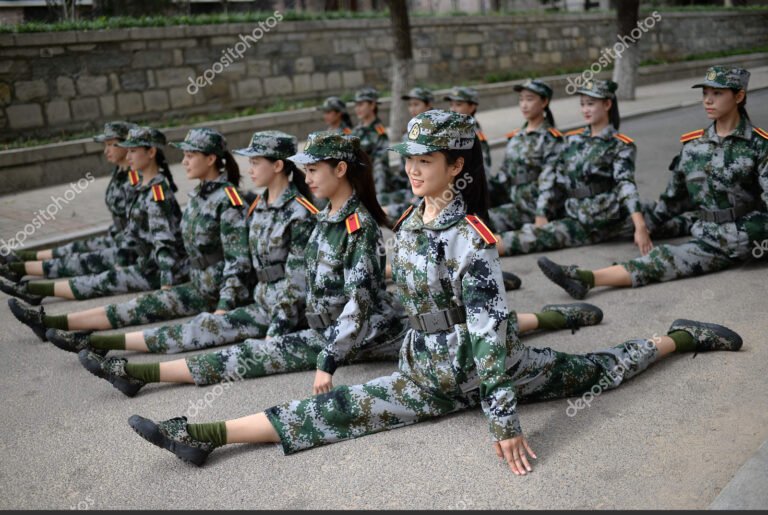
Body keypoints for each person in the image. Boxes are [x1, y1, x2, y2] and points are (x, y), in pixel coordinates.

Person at [123, 111, 741, 476]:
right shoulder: (408, 224)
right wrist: (332, 355)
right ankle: (201, 436)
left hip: (489, 370)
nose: (414, 168)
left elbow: (488, 333)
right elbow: (374, 296)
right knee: (335, 414)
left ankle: (676, 336)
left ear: (456, 166)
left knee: (596, 371)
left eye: (428, 159)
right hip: (425, 368)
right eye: (409, 158)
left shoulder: (472, 239)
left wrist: (503, 423)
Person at [48, 131, 315, 357]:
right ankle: (75, 331)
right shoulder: (255, 204)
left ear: (278, 166)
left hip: (251, 300)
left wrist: (227, 305)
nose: (250, 169)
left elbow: (247, 264)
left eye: (256, 162)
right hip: (231, 290)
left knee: (197, 331)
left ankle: (96, 343)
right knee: (150, 308)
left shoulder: (288, 210)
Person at [537, 66, 767, 299]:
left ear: (739, 96)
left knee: (667, 257)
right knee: (650, 240)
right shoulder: (693, 146)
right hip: (705, 231)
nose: (708, 100)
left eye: (717, 93)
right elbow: (673, 199)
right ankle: (583, 263)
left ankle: (586, 277)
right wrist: (643, 226)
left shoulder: (759, 145)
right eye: (705, 93)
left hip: (746, 237)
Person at [8, 129, 255, 343]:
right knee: (132, 305)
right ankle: (50, 321)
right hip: (198, 281)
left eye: (191, 156)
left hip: (214, 290)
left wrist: (224, 307)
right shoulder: (199, 195)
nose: (185, 161)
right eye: (185, 155)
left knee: (142, 312)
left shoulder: (228, 200)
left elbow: (238, 261)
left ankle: (81, 335)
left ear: (211, 158)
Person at [495, 79, 652, 258]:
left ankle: (478, 248)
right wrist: (543, 212)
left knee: (662, 220)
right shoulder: (572, 140)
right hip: (573, 215)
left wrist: (640, 226)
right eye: (582, 104)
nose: (585, 110)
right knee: (534, 234)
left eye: (591, 104)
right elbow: (555, 179)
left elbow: (626, 184)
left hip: (603, 219)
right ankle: (475, 247)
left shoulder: (620, 145)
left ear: (607, 104)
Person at [0, 122, 141, 301]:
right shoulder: (120, 172)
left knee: (82, 261)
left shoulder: (135, 178)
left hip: (129, 247)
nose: (106, 150)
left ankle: (21, 273)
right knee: (76, 248)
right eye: (105, 145)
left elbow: (137, 223)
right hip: (120, 238)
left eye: (111, 144)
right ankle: (20, 260)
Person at [487, 79, 564, 233]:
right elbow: (503, 176)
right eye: (521, 99)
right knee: (471, 219)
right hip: (514, 203)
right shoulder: (516, 136)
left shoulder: (550, 139)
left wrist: (541, 214)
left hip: (532, 208)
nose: (524, 104)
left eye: (529, 99)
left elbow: (549, 179)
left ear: (544, 102)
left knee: (481, 226)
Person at [351, 87, 392, 194]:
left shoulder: (379, 131)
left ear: (372, 105)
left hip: (373, 174)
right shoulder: (355, 131)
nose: (357, 109)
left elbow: (381, 159)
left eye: (361, 104)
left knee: (379, 169)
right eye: (356, 105)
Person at [444, 86, 491, 174]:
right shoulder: (454, 130)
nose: (452, 109)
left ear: (472, 107)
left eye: (458, 105)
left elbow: (483, 172)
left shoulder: (474, 136)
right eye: (451, 105)